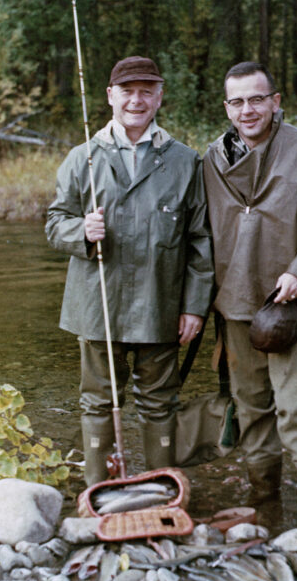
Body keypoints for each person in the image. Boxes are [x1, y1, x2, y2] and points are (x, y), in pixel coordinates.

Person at [46, 56, 214, 486]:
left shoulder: (185, 161)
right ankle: (99, 490)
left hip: (162, 305)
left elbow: (201, 240)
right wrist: (81, 229)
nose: (136, 100)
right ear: (110, 97)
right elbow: (54, 223)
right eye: (127, 91)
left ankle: (161, 488)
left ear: (159, 96)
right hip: (97, 306)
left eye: (146, 91)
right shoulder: (81, 157)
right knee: (98, 402)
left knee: (161, 403)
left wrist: (194, 307)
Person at [202, 61, 297, 528]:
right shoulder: (211, 159)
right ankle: (264, 509)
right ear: (227, 107)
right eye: (238, 101)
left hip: (292, 309)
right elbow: (198, 233)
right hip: (233, 306)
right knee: (252, 412)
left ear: (275, 101)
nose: (248, 110)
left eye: (257, 99)